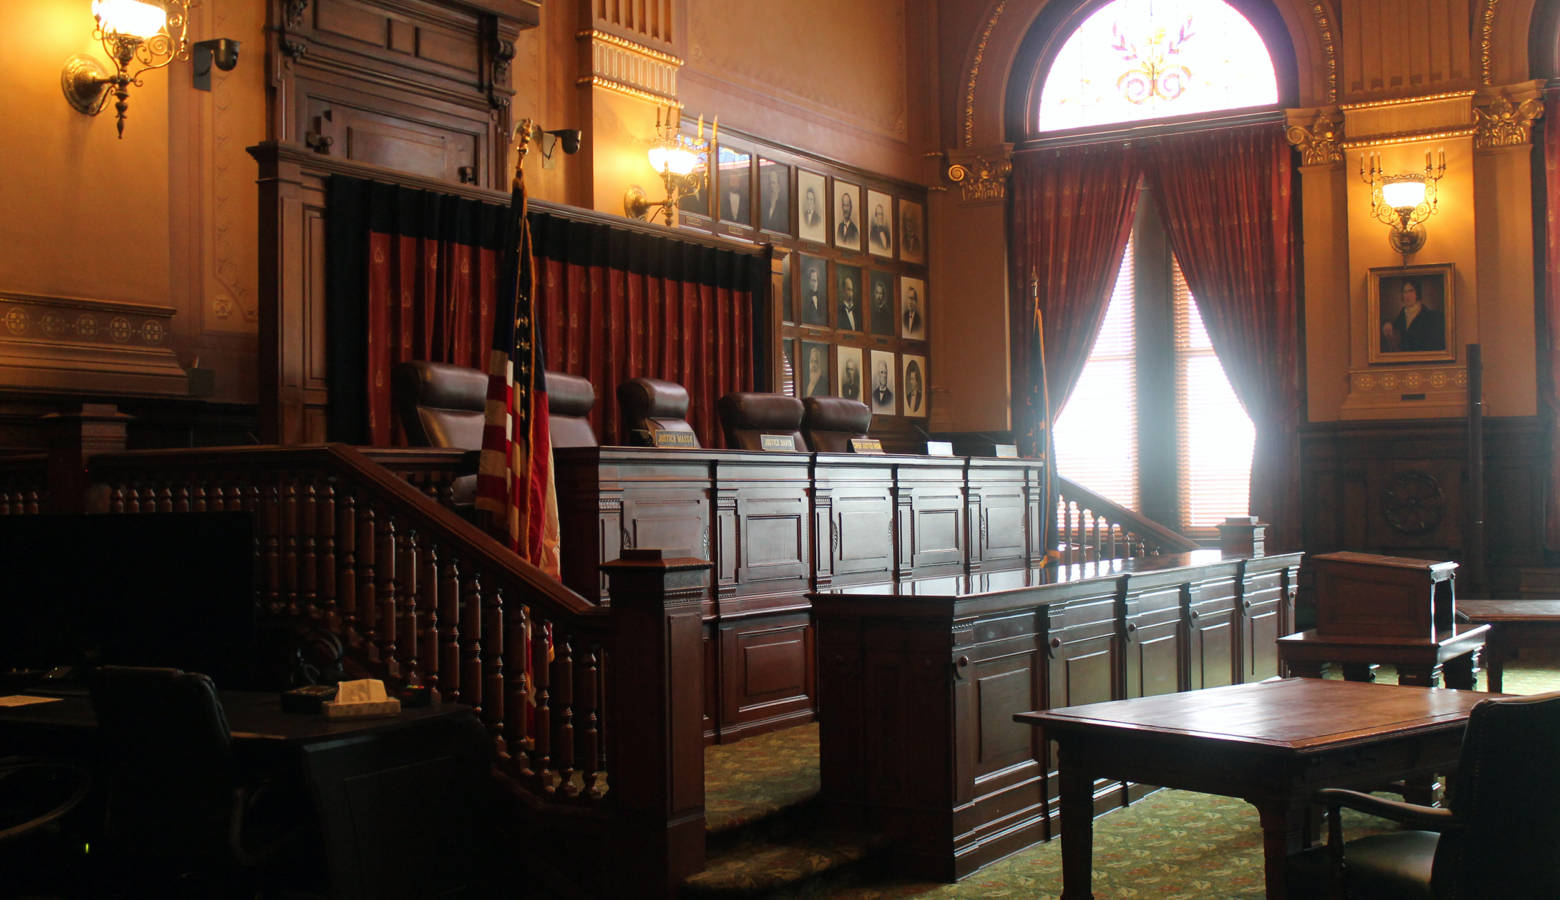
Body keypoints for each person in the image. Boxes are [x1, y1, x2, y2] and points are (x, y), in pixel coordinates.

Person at [1381, 279, 1445, 352]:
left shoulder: (1430, 316)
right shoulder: (1402, 315)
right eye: (1405, 292)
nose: (1407, 295)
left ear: (1417, 293)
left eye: (1411, 291)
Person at [761, 166, 788, 232]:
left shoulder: (784, 207)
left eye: (773, 183)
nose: (771, 186)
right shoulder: (764, 206)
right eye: (769, 183)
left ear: (779, 186)